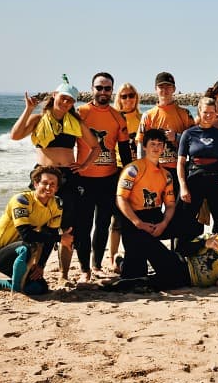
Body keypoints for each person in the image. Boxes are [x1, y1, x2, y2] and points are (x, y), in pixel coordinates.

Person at [10, 74, 99, 281]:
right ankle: (34, 268)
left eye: (70, 100)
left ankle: (64, 274)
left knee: (67, 227)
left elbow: (95, 146)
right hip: (43, 176)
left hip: (67, 176)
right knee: (39, 223)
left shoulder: (75, 122)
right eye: (64, 98)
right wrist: (28, 109)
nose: (66, 103)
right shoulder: (38, 119)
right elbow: (14, 135)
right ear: (55, 95)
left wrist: (84, 165)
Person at [75, 72, 132, 280]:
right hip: (83, 178)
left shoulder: (118, 116)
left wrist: (130, 178)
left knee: (102, 225)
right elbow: (67, 142)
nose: (103, 92)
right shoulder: (80, 113)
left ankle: (97, 265)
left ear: (112, 91)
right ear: (92, 89)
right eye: (99, 88)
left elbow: (125, 151)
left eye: (107, 88)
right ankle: (84, 269)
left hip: (108, 179)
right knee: (83, 225)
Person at [102, 214, 218, 292]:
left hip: (184, 281)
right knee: (144, 237)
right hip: (179, 264)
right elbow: (182, 249)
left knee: (145, 284)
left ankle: (117, 271)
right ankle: (122, 264)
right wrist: (203, 244)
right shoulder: (212, 238)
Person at [0, 166, 74, 294]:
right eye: (45, 183)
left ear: (57, 188)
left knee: (40, 287)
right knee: (27, 246)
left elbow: (50, 236)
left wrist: (40, 265)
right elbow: (26, 234)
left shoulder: (56, 204)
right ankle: (16, 291)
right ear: (36, 184)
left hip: (20, 254)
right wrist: (60, 238)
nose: (48, 187)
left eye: (53, 184)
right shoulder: (22, 200)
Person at [115, 129, 189, 280]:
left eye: (159, 144)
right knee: (135, 276)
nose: (156, 148)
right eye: (152, 144)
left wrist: (164, 223)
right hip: (133, 220)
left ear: (163, 148)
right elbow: (120, 199)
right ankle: (121, 262)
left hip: (155, 217)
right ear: (144, 146)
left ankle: (178, 255)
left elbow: (169, 205)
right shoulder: (133, 169)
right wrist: (138, 223)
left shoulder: (167, 175)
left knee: (173, 272)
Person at [177, 96, 218, 237]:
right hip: (194, 180)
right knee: (186, 221)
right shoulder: (188, 134)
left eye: (211, 113)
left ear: (216, 114)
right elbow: (181, 162)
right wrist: (183, 186)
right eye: (205, 112)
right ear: (199, 112)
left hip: (216, 182)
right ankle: (184, 255)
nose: (208, 116)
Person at [136, 72, 195, 195]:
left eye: (168, 87)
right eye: (161, 87)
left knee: (176, 210)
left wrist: (177, 137)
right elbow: (141, 144)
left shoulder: (185, 113)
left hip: (178, 169)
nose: (165, 90)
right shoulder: (148, 115)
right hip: (155, 169)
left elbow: (195, 142)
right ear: (155, 90)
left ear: (174, 89)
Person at [110, 81, 142, 270]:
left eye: (131, 95)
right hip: (117, 171)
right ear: (118, 99)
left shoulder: (142, 118)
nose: (128, 99)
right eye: (124, 96)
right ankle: (113, 257)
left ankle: (133, 254)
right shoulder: (113, 117)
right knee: (117, 219)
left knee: (137, 216)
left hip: (138, 172)